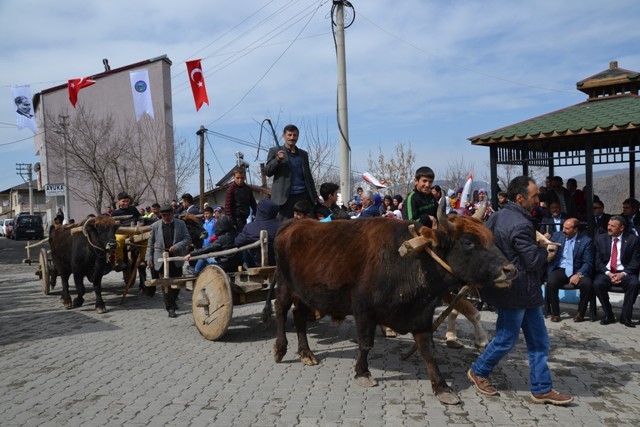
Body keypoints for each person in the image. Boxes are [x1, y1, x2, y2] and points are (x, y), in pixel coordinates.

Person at [467, 175, 573, 406]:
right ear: (519, 198)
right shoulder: (522, 224)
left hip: (522, 291)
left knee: (539, 342)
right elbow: (533, 261)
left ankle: (542, 389)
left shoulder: (496, 217)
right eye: (534, 196)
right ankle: (478, 370)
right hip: (517, 291)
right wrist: (548, 252)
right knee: (506, 339)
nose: (538, 200)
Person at [592, 215, 640, 327]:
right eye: (608, 225)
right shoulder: (601, 239)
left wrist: (622, 274)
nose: (609, 228)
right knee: (597, 284)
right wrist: (609, 273)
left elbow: (636, 261)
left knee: (634, 284)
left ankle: (626, 317)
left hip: (625, 271)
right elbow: (598, 261)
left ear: (621, 228)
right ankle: (609, 315)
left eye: (613, 226)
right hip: (607, 271)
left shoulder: (633, 240)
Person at [145, 205, 192, 318]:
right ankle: (170, 308)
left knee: (176, 283)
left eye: (168, 215)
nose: (166, 217)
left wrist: (177, 246)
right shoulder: (155, 226)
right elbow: (150, 244)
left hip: (176, 259)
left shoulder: (180, 224)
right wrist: (149, 258)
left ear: (173, 214)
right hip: (161, 259)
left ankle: (173, 301)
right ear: (161, 215)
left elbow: (187, 239)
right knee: (165, 284)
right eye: (163, 215)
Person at [265, 124, 319, 219]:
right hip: (285, 199)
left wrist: (314, 196)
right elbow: (268, 172)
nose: (292, 138)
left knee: (306, 227)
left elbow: (308, 177)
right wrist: (277, 159)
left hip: (303, 196)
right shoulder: (275, 151)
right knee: (285, 227)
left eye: (294, 135)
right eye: (289, 135)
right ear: (284, 136)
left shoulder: (303, 154)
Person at [546, 218, 594, 322]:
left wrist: (579, 274)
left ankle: (580, 313)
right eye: (563, 227)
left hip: (577, 269)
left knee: (587, 284)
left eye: (567, 228)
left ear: (575, 230)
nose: (564, 230)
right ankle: (555, 313)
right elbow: (549, 249)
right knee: (551, 282)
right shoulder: (558, 236)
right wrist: (546, 241)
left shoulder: (586, 241)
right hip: (560, 268)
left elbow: (588, 262)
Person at [235, 199, 282, 267]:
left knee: (245, 249)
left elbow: (237, 242)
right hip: (279, 262)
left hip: (257, 264)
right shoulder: (283, 226)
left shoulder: (250, 228)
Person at [112, 191, 141, 271]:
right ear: (118, 202)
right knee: (118, 240)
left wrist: (142, 222)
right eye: (123, 201)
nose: (125, 203)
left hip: (134, 230)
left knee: (142, 239)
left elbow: (139, 218)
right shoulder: (115, 213)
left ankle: (142, 259)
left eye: (127, 201)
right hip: (122, 231)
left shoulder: (133, 209)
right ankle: (120, 260)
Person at [225, 167, 257, 231]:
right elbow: (228, 208)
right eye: (238, 178)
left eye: (242, 178)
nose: (240, 180)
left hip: (245, 217)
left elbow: (253, 204)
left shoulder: (248, 189)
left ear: (244, 177)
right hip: (235, 219)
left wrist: (257, 215)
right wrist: (232, 223)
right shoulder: (231, 190)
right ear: (234, 177)